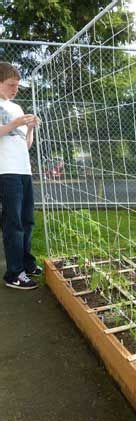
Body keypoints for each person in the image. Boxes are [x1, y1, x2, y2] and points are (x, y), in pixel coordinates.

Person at [0, 61, 42, 290]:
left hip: (24, 170)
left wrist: (31, 128)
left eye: (17, 85)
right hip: (6, 171)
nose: (15, 89)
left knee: (27, 220)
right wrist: (15, 123)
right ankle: (14, 273)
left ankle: (27, 264)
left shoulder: (15, 107)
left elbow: (25, 145)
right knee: (13, 222)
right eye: (10, 85)